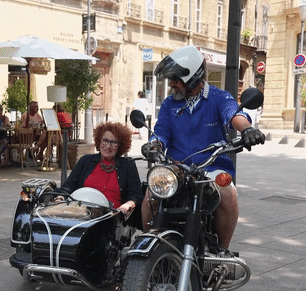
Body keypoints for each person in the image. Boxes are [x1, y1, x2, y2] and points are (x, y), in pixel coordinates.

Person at [141, 45, 265, 249]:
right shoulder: (169, 104)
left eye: (175, 79)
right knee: (151, 194)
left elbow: (234, 115)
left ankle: (222, 250)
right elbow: (161, 131)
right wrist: (154, 144)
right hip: (177, 167)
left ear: (192, 77)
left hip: (212, 167)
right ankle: (149, 245)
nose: (171, 84)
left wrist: (247, 130)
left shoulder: (218, 97)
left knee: (228, 194)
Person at [58, 122, 142, 214]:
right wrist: (60, 197)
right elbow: (68, 187)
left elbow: (136, 196)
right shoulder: (85, 161)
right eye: (105, 140)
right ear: (99, 141)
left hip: (113, 216)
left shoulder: (128, 165)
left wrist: (127, 206)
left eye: (114, 142)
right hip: (81, 213)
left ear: (120, 145)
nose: (108, 146)